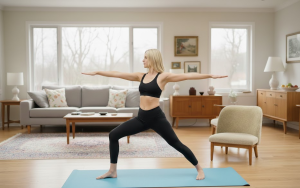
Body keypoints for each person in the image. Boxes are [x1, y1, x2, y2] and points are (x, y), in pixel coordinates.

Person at [81, 49, 227, 180]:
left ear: (152, 59)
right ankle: (112, 171)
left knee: (176, 144)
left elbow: (187, 75)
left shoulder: (162, 77)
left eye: (145, 57)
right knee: (113, 135)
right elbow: (118, 74)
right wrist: (98, 72)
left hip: (156, 117)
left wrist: (210, 75)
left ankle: (199, 169)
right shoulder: (141, 76)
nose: (143, 60)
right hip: (141, 118)